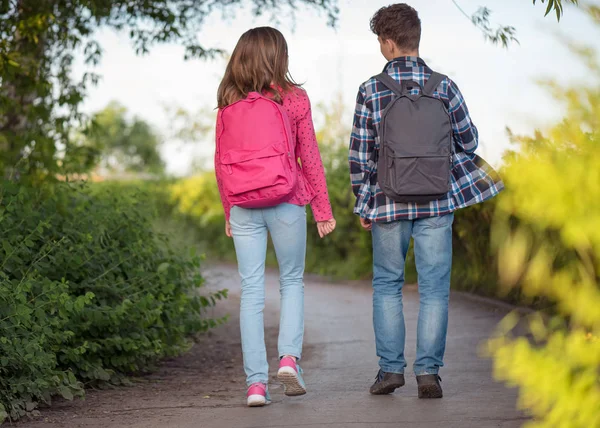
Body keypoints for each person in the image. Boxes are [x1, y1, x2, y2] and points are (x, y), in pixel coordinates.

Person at [349, 4, 503, 398]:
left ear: (386, 43)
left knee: (387, 285)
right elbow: (469, 142)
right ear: (416, 39)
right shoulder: (445, 86)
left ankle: (389, 371)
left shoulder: (371, 89)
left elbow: (361, 155)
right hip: (437, 200)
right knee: (434, 288)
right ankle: (429, 374)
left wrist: (362, 202)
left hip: (387, 201)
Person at [215, 26, 336, 407]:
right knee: (291, 281)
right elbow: (309, 156)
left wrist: (227, 209)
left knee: (250, 292)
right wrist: (322, 209)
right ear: (278, 57)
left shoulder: (228, 101)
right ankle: (288, 359)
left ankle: (255, 384)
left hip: (243, 204)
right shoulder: (294, 98)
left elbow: (220, 161)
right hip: (287, 198)